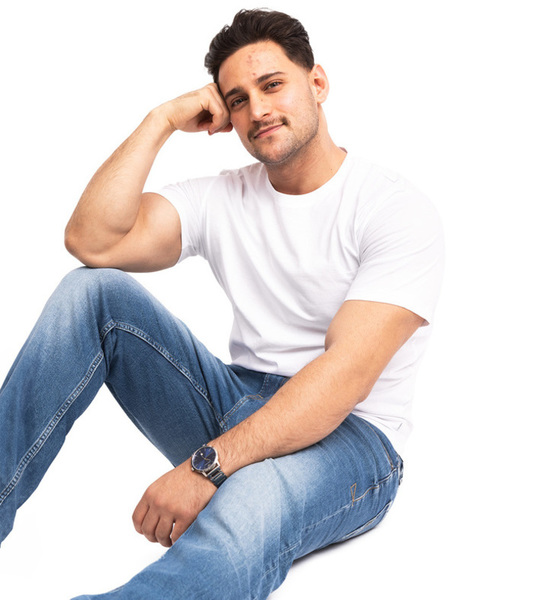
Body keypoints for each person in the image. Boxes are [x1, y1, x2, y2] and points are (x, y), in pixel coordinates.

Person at [0, 8, 444, 600]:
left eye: (272, 85)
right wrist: (161, 119)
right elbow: (92, 241)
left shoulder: (393, 208)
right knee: (90, 292)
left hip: (352, 439)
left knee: (249, 506)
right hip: (238, 400)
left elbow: (344, 379)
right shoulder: (224, 196)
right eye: (238, 99)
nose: (257, 110)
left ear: (317, 83)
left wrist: (206, 467)